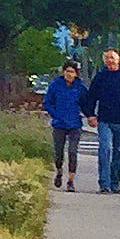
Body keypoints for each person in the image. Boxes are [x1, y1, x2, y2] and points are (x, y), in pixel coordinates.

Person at [82, 47, 120, 192]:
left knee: (119, 153)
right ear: (104, 61)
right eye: (107, 58)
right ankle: (104, 184)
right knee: (105, 149)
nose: (110, 60)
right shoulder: (100, 78)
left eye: (112, 58)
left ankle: (115, 184)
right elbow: (90, 97)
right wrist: (90, 115)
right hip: (104, 121)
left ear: (118, 59)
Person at [42, 55, 86, 188]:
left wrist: (90, 115)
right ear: (63, 72)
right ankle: (59, 171)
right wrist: (56, 115)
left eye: (72, 72)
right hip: (59, 124)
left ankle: (71, 180)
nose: (69, 74)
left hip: (75, 124)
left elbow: (86, 103)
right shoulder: (55, 85)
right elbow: (47, 103)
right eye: (67, 71)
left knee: (72, 151)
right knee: (59, 152)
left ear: (76, 74)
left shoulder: (80, 87)